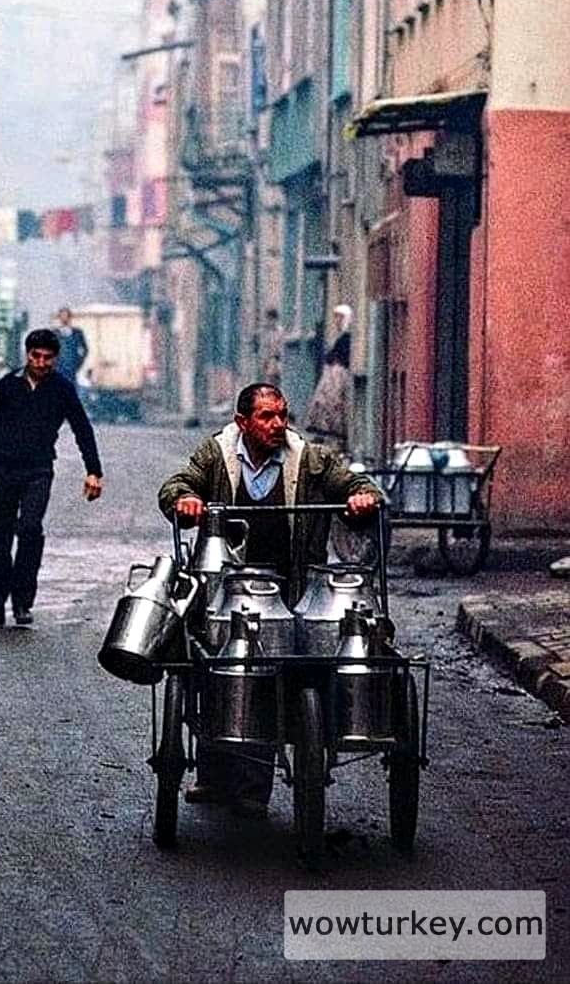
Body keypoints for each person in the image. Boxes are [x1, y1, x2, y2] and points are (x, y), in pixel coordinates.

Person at [158, 381, 381, 817]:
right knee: (214, 667)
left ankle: (253, 784)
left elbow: (354, 481)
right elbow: (178, 484)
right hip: (227, 590)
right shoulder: (217, 456)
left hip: (292, 591)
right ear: (243, 422)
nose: (278, 424)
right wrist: (184, 500)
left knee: (271, 672)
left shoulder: (310, 460)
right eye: (266, 416)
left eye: (282, 414)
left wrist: (362, 497)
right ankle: (212, 774)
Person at [0, 326, 103, 629]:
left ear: (55, 359)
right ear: (27, 354)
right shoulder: (8, 386)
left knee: (30, 531)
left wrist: (94, 471)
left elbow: (82, 429)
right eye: (36, 356)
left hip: (38, 470)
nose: (41, 363)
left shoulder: (61, 389)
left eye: (47, 358)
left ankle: (22, 601)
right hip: (1, 468)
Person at [304, 304, 352, 454]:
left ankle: (336, 437)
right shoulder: (340, 337)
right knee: (324, 404)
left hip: (338, 376)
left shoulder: (346, 338)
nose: (336, 321)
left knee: (334, 404)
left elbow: (341, 357)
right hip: (331, 376)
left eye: (339, 318)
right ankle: (326, 433)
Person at [54, 307, 89, 384]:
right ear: (59, 318)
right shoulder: (54, 333)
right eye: (62, 316)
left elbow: (85, 349)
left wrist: (78, 363)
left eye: (66, 316)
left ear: (70, 318)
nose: (64, 319)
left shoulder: (77, 333)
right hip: (58, 369)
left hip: (71, 370)